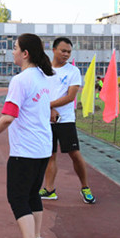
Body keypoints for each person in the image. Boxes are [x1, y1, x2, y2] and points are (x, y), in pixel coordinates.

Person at [0, 33, 53, 238]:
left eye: (15, 48)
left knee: (17, 196)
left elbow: (8, 116)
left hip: (26, 150)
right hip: (43, 147)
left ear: (25, 53)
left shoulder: (20, 80)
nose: (12, 52)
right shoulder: (42, 77)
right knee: (32, 194)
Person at [39, 38, 94, 204]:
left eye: (69, 52)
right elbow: (40, 92)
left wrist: (49, 106)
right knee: (50, 155)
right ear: (54, 50)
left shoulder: (73, 71)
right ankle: (49, 189)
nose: (66, 54)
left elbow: (70, 97)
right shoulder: (43, 70)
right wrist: (48, 109)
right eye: (63, 51)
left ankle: (85, 187)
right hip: (46, 119)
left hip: (65, 120)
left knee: (74, 154)